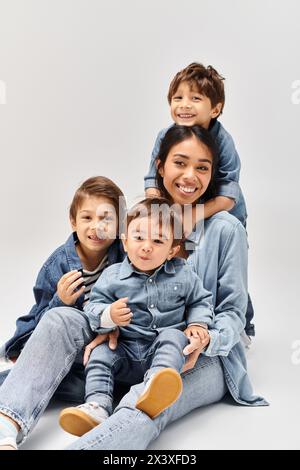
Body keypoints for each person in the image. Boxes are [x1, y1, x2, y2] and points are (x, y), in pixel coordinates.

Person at [0, 125, 267, 451]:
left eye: (202, 167)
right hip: (130, 346)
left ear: (212, 174)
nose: (190, 175)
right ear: (160, 167)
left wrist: (204, 335)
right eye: (180, 163)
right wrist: (106, 323)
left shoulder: (226, 230)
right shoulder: (141, 218)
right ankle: (7, 423)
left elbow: (231, 312)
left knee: (150, 403)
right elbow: (107, 284)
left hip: (193, 355)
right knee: (60, 319)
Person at [59, 197, 213, 437]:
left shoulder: (183, 273)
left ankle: (156, 386)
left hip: (160, 351)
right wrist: (108, 314)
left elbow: (200, 300)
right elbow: (92, 306)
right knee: (101, 352)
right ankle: (98, 405)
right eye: (139, 238)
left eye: (158, 240)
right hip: (125, 350)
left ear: (172, 250)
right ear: (125, 241)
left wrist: (197, 323)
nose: (146, 246)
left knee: (174, 336)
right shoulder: (112, 276)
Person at [0, 175, 125, 448]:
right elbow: (40, 324)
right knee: (58, 326)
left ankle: (25, 381)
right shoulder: (58, 264)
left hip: (108, 354)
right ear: (73, 222)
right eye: (87, 218)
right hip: (74, 349)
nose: (96, 227)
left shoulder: (128, 256)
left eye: (106, 218)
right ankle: (7, 420)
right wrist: (61, 301)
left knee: (87, 385)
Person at [144, 63, 255, 339]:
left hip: (218, 207)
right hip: (180, 207)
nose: (185, 105)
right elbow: (151, 183)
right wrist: (163, 213)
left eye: (196, 99)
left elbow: (229, 195)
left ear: (215, 109)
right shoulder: (165, 137)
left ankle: (241, 325)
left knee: (227, 264)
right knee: (181, 256)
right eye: (178, 98)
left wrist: (196, 213)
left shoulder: (222, 142)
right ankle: (174, 312)